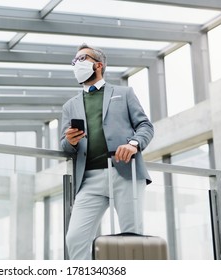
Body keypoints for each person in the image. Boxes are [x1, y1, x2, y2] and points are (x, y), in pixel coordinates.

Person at [60, 43, 154, 260]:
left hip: (125, 173)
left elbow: (145, 126)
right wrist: (70, 141)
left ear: (98, 65)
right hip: (88, 180)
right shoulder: (70, 105)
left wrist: (133, 144)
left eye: (82, 59)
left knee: (132, 238)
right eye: (74, 61)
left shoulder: (124, 93)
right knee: (74, 237)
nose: (77, 64)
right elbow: (64, 146)